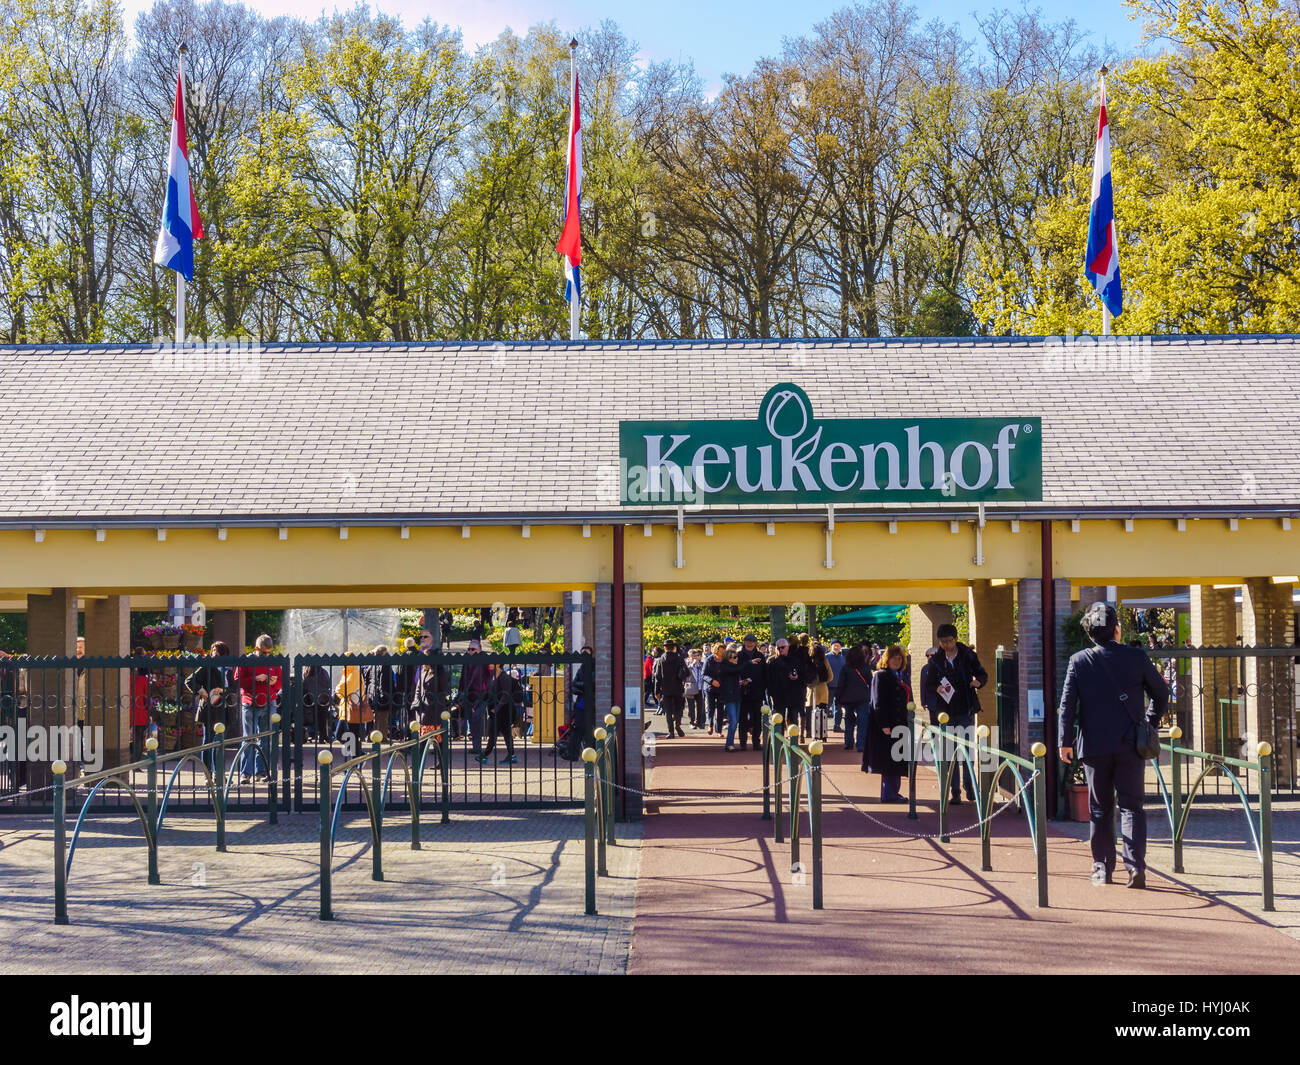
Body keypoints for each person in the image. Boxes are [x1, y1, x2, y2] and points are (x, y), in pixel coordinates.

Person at [1059, 601, 1169, 889]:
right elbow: (1161, 693)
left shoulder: (1079, 661)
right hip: (1130, 743)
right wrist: (1149, 722)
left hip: (1094, 747)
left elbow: (1067, 706)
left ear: (1090, 634)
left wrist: (1064, 742)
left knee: (1100, 808)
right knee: (1132, 807)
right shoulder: (1136, 657)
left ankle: (1102, 868)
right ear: (1117, 629)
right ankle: (1135, 867)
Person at [924, 623, 987, 805]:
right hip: (946, 711)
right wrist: (936, 687)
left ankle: (970, 787)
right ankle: (955, 791)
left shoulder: (968, 655)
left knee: (967, 751)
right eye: (943, 642)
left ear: (956, 639)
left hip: (965, 708)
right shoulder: (935, 660)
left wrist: (978, 683)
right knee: (949, 753)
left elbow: (982, 674)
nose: (946, 645)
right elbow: (929, 683)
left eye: (949, 641)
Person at [864, 644, 910, 801]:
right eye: (893, 658)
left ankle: (891, 793)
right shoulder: (881, 675)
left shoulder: (900, 675)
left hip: (900, 724)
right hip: (887, 726)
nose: (896, 661)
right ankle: (889, 794)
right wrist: (884, 724)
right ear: (887, 659)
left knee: (896, 761)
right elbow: (877, 701)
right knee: (889, 762)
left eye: (899, 658)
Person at [185, 641, 232, 772]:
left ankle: (219, 773)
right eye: (212, 652)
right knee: (208, 741)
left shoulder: (228, 669)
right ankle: (208, 773)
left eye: (216, 652)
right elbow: (189, 680)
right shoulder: (207, 666)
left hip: (224, 709)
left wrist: (222, 690)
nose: (213, 655)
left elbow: (233, 687)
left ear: (224, 654)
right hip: (209, 708)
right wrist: (201, 690)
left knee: (220, 742)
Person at [767, 638, 810, 737]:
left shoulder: (796, 661)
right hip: (779, 696)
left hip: (794, 696)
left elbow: (805, 677)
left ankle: (793, 742)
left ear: (788, 647)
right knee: (779, 720)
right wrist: (771, 694)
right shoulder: (773, 663)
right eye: (778, 648)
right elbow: (769, 680)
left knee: (793, 720)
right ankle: (780, 742)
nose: (780, 649)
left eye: (782, 647)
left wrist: (797, 677)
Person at [833, 644, 872, 751]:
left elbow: (840, 684)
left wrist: (838, 698)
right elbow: (871, 683)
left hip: (848, 698)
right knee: (863, 721)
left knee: (849, 721)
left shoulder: (845, 668)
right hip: (863, 697)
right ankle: (861, 745)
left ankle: (848, 742)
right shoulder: (866, 668)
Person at [479, 663, 520, 764]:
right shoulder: (492, 676)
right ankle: (510, 755)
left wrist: (497, 708)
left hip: (504, 710)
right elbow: (487, 693)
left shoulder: (504, 676)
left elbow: (506, 694)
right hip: (495, 710)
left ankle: (485, 755)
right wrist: (477, 704)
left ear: (498, 665)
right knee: (497, 733)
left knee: (499, 733)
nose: (489, 664)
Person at [333, 653, 369, 754]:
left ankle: (357, 759)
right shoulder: (347, 673)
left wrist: (337, 691)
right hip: (347, 708)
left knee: (347, 735)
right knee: (343, 735)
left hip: (353, 708)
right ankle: (359, 756)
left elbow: (343, 688)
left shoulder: (354, 673)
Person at [737, 634, 767, 752]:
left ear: (755, 643)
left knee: (757, 718)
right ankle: (743, 743)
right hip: (742, 692)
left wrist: (763, 687)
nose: (749, 643)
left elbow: (764, 672)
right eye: (747, 641)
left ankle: (756, 742)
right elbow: (736, 669)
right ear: (744, 642)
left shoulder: (760, 656)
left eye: (752, 641)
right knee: (742, 719)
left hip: (757, 692)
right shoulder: (739, 655)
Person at [361, 645, 396, 739]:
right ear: (384, 653)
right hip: (382, 694)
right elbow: (383, 681)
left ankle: (373, 736)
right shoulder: (384, 665)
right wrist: (384, 695)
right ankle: (381, 737)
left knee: (376, 717)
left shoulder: (372, 664)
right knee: (383, 717)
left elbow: (367, 679)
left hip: (372, 693)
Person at [717, 646, 744, 751]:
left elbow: (735, 677)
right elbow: (732, 673)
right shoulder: (724, 667)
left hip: (737, 696)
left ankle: (730, 743)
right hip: (729, 697)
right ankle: (729, 744)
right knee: (733, 721)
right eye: (733, 657)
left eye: (736, 657)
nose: (736, 659)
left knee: (735, 721)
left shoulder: (734, 668)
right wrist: (749, 662)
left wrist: (742, 682)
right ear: (728, 658)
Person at [806, 643, 832, 739]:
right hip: (823, 690)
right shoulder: (824, 660)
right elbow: (830, 676)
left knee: (809, 713)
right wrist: (824, 682)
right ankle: (822, 733)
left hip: (811, 690)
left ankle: (809, 732)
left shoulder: (808, 660)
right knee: (823, 713)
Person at [702, 643, 728, 735]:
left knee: (720, 709)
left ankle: (719, 730)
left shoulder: (725, 661)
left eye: (723, 651)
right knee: (711, 708)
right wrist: (712, 681)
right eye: (720, 650)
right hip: (710, 688)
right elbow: (703, 674)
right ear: (716, 650)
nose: (721, 652)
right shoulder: (709, 660)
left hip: (721, 688)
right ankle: (710, 725)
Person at [825, 640, 845, 732]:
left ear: (840, 647)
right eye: (834, 645)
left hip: (840, 687)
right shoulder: (826, 657)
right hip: (828, 687)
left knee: (838, 708)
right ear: (831, 646)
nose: (836, 647)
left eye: (837, 646)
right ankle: (823, 726)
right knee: (826, 707)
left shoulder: (843, 658)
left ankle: (836, 726)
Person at [684, 648, 706, 729]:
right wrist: (692, 665)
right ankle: (692, 722)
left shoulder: (701, 664)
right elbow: (684, 673)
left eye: (696, 656)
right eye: (693, 656)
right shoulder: (686, 664)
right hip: (690, 688)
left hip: (700, 688)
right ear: (689, 657)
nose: (695, 658)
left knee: (700, 706)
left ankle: (699, 722)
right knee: (691, 706)